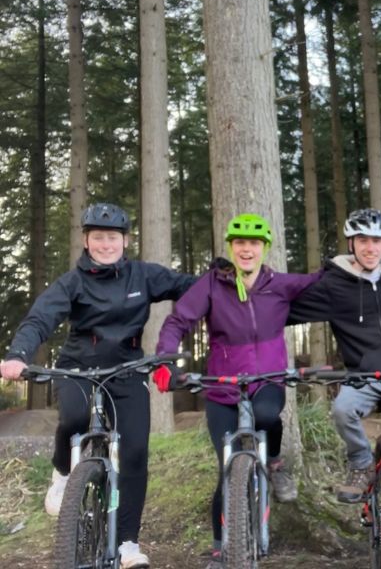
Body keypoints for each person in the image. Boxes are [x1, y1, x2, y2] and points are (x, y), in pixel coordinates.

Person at [0, 202, 196, 569]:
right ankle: (62, 473)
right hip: (79, 367)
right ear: (86, 240)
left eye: (113, 238)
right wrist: (18, 355)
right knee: (73, 419)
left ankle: (127, 543)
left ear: (125, 240)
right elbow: (41, 317)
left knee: (136, 451)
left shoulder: (142, 276)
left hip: (128, 368)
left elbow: (188, 286)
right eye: (98, 238)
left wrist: (222, 279)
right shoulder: (73, 282)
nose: (106, 245)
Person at [153, 213, 321, 568]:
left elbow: (320, 282)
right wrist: (165, 361)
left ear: (264, 248)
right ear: (231, 247)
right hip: (223, 388)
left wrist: (349, 263)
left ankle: (275, 462)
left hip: (268, 381)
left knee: (266, 416)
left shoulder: (281, 284)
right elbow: (178, 320)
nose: (247, 249)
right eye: (240, 243)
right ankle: (219, 545)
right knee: (227, 467)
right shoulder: (213, 283)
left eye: (254, 243)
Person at [288, 208, 381, 503]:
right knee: (342, 410)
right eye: (363, 239)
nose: (371, 247)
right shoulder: (332, 284)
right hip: (364, 377)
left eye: (377, 241)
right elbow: (284, 310)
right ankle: (361, 463)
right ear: (351, 243)